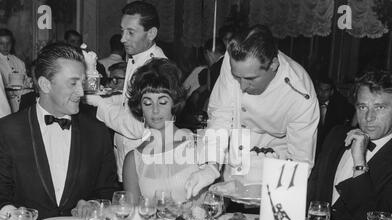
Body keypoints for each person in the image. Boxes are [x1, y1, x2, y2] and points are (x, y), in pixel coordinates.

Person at [185, 25, 319, 198]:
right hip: (228, 167)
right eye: (237, 77)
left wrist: (249, 190)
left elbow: (299, 166)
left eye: (250, 79)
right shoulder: (233, 60)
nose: (242, 86)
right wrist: (211, 165)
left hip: (268, 180)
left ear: (273, 65)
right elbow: (221, 114)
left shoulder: (300, 94)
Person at [0, 43, 119, 220]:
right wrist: (16, 217)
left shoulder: (97, 131)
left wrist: (92, 205)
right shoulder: (8, 130)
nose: (81, 91)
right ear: (45, 85)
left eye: (82, 82)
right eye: (73, 83)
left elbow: (108, 191)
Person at [85, 1, 167, 183]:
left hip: (144, 167)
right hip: (129, 160)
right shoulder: (137, 59)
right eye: (122, 31)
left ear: (151, 33)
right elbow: (128, 102)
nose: (122, 39)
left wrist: (98, 103)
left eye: (130, 32)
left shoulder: (154, 69)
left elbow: (137, 126)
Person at [308, 70, 392, 220]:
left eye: (379, 108)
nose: (368, 117)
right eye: (362, 107)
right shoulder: (337, 135)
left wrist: (359, 163)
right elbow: (312, 190)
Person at [123, 58, 201, 203]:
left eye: (163, 102)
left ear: (175, 103)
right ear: (140, 108)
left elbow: (214, 203)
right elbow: (131, 218)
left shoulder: (197, 146)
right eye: (147, 103)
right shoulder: (133, 160)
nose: (155, 110)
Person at [315, 76, 355, 156]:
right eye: (320, 89)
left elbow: (354, 114)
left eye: (326, 90)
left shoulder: (339, 105)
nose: (322, 93)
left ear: (331, 92)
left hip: (330, 146)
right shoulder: (310, 104)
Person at [0, 28, 27, 112]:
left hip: (20, 107)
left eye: (8, 43)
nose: (5, 46)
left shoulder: (19, 62)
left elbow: (26, 85)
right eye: (1, 43)